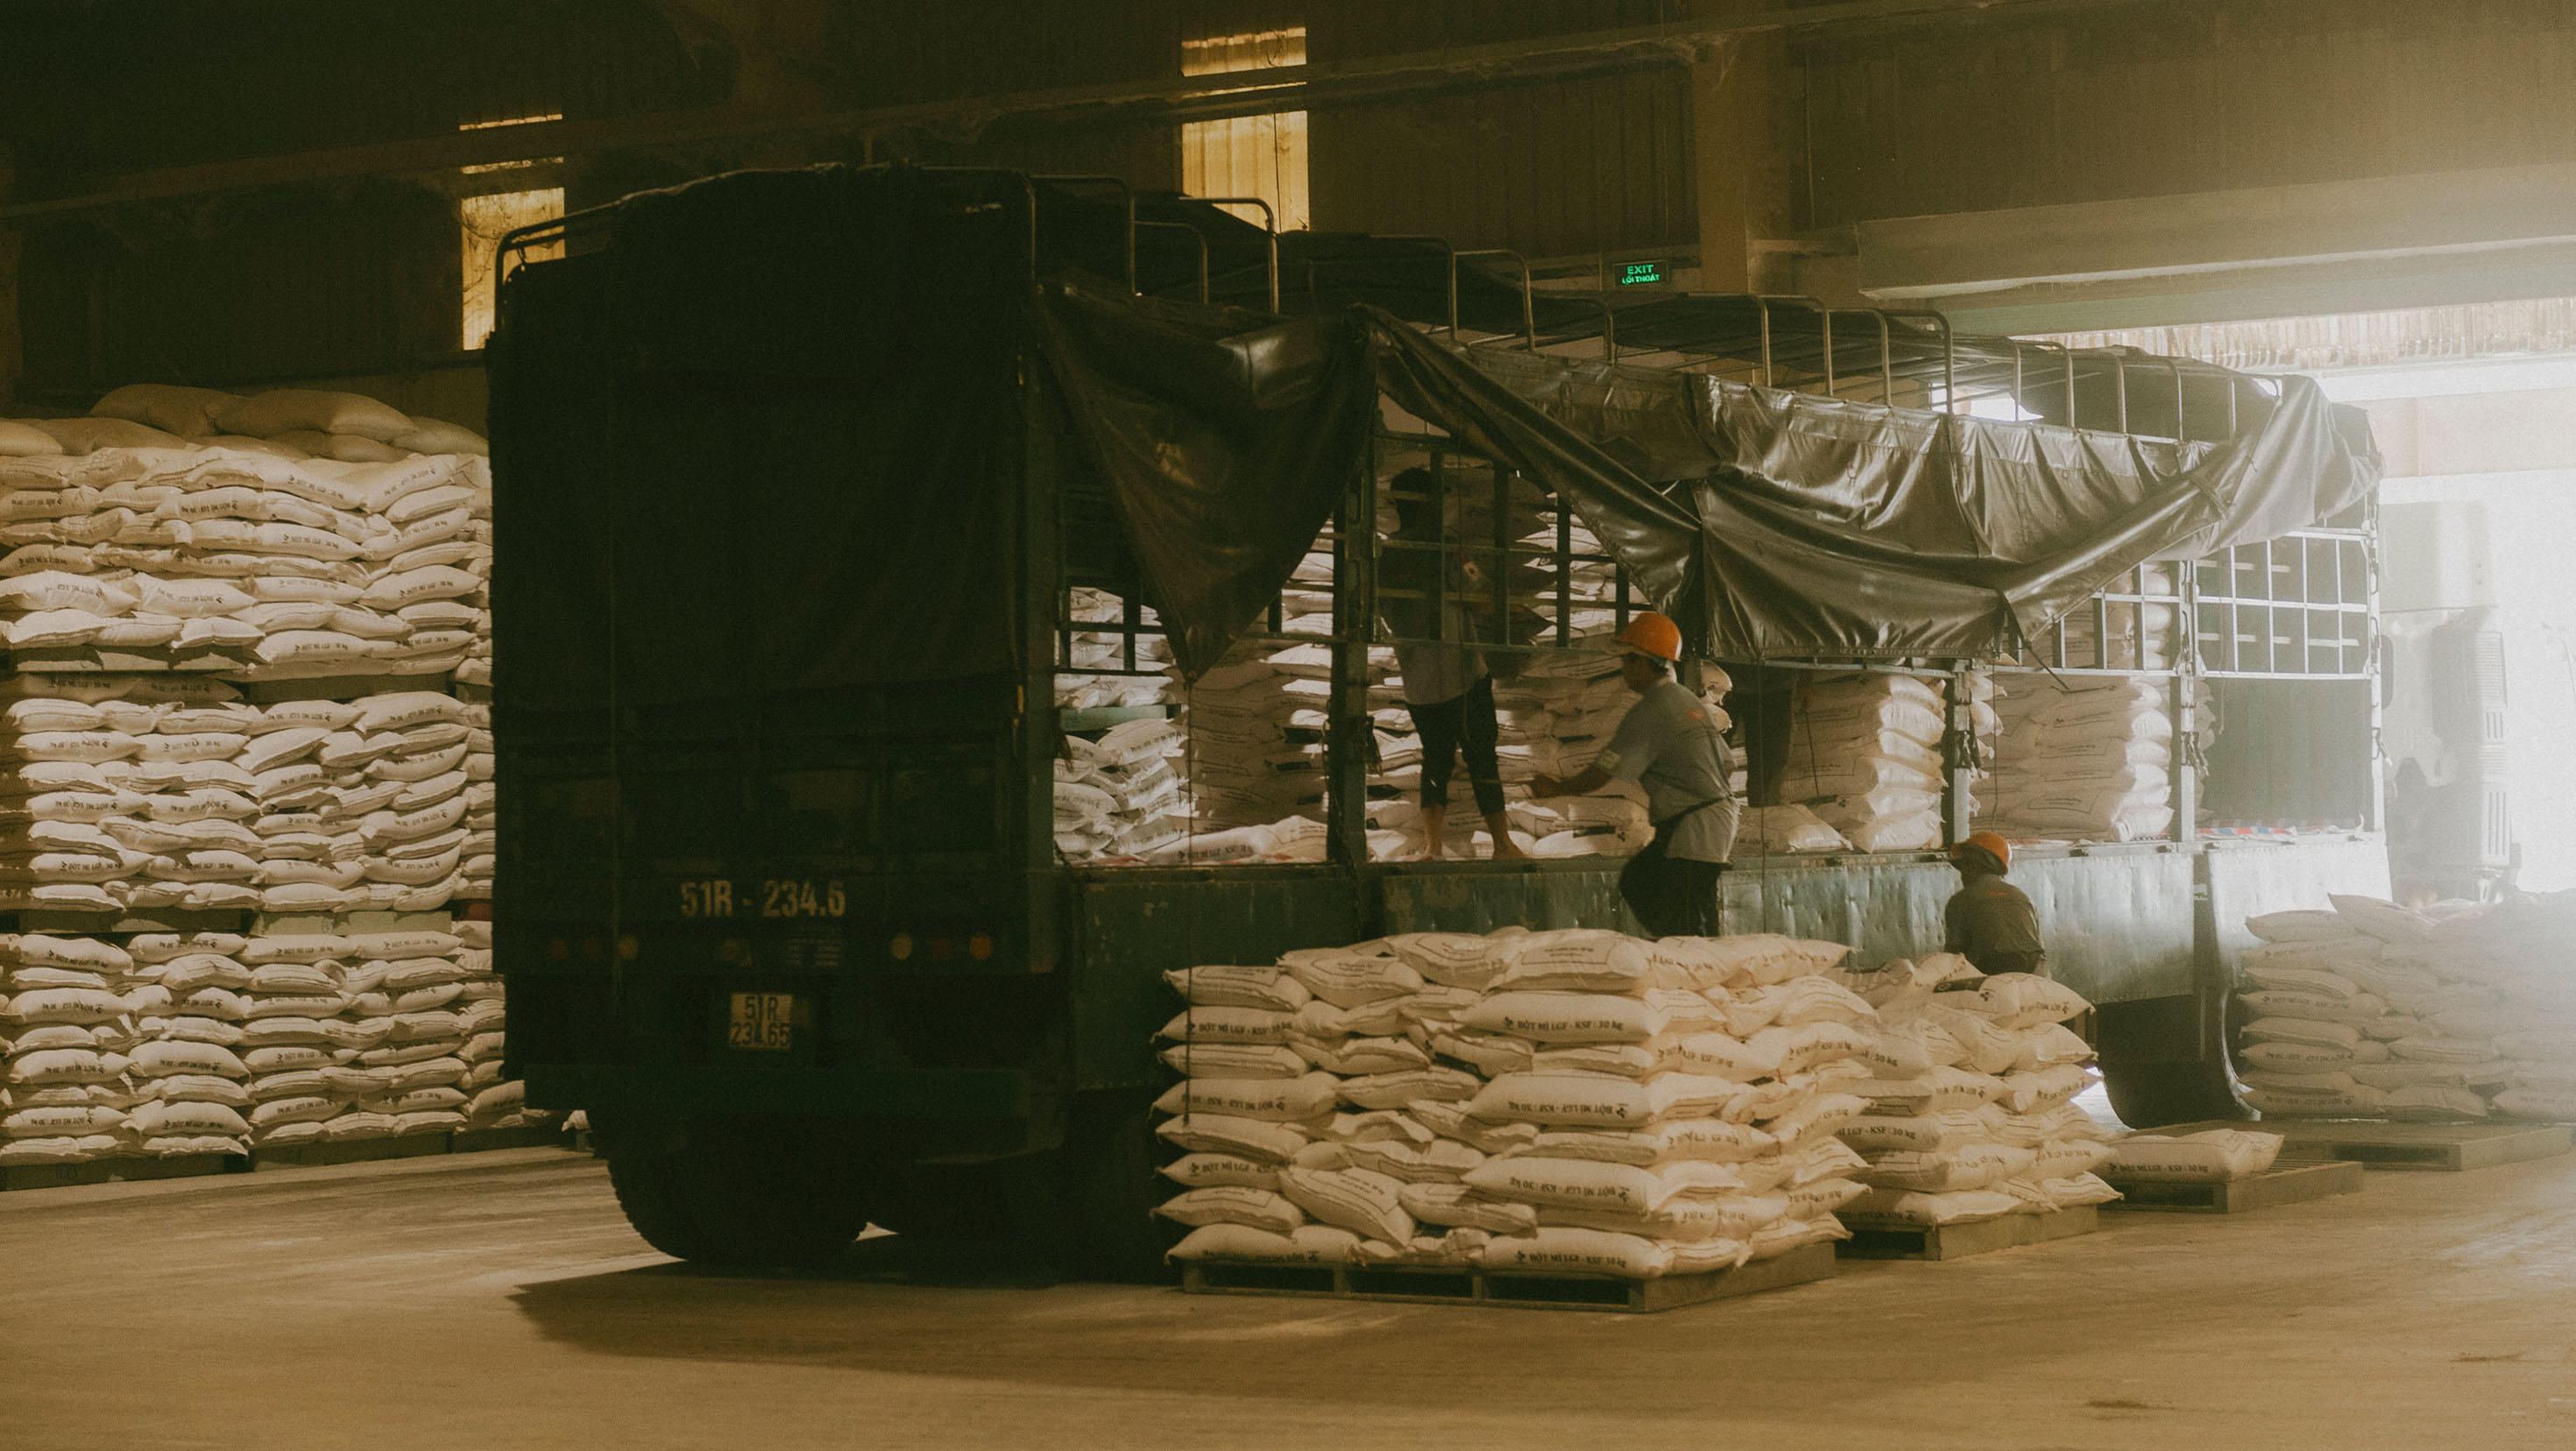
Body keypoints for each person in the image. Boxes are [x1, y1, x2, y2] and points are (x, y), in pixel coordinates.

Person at [1530, 612, 1738, 937]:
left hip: (1694, 823)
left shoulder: (1650, 709)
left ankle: (1686, 961)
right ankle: (1688, 954)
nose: (1623, 670)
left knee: (1680, 908)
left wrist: (1556, 788)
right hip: (1710, 817)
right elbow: (1728, 765)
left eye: (1627, 662)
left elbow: (1603, 772)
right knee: (1663, 889)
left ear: (1643, 663)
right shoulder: (1685, 698)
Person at [1382, 470, 1524, 860]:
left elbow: (1386, 612)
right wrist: (1513, 610)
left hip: (1420, 684)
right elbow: (1477, 593)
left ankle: (1432, 848)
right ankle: (1502, 845)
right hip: (1463, 676)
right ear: (1432, 505)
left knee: (1436, 761)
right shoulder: (1445, 549)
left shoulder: (1387, 555)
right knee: (1482, 757)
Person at [1943, 830, 2049, 978]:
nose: (1962, 875)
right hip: (2034, 973)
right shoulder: (2023, 897)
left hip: (1991, 978)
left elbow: (1953, 958)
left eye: (1964, 868)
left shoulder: (1960, 900)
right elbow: (2039, 950)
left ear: (1975, 865)